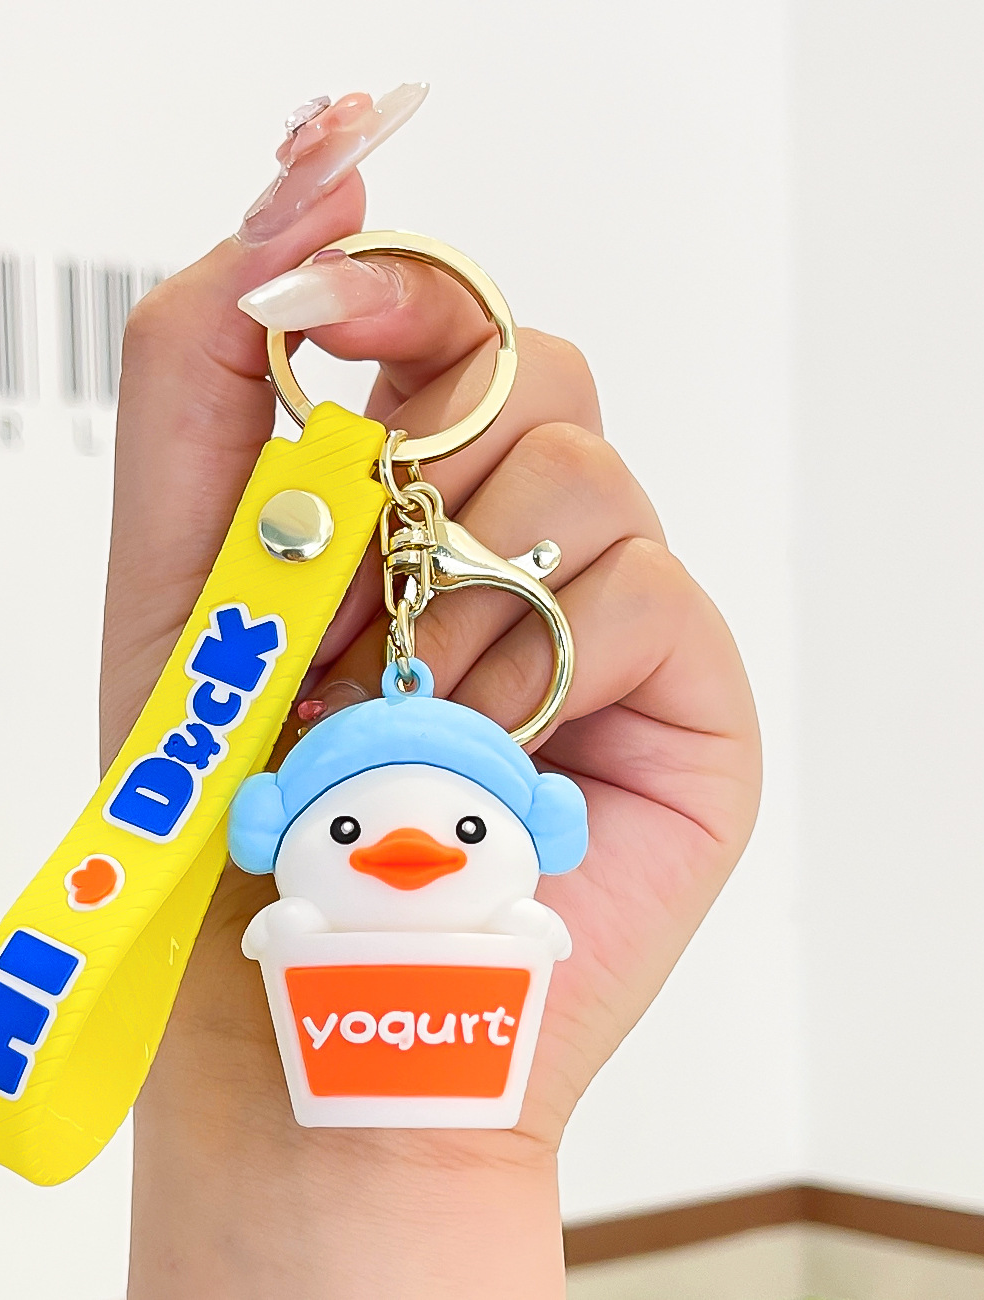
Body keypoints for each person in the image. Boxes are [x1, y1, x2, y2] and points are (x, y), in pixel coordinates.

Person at [102, 85, 761, 1299]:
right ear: (271, 827)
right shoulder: (305, 907)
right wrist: (263, 1140)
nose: (408, 843)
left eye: (469, 824)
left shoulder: (493, 919)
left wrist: (409, 1170)